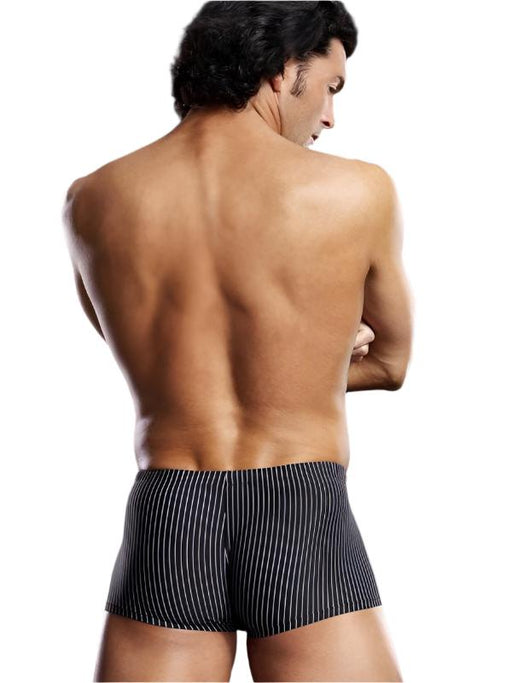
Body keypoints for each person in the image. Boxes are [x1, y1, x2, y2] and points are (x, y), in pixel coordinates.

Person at [63, 2, 413, 681]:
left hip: (171, 509)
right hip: (299, 504)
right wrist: (313, 356)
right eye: (330, 88)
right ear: (283, 70)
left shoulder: (92, 199)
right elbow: (392, 363)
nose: (330, 117)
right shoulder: (356, 191)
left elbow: (146, 360)